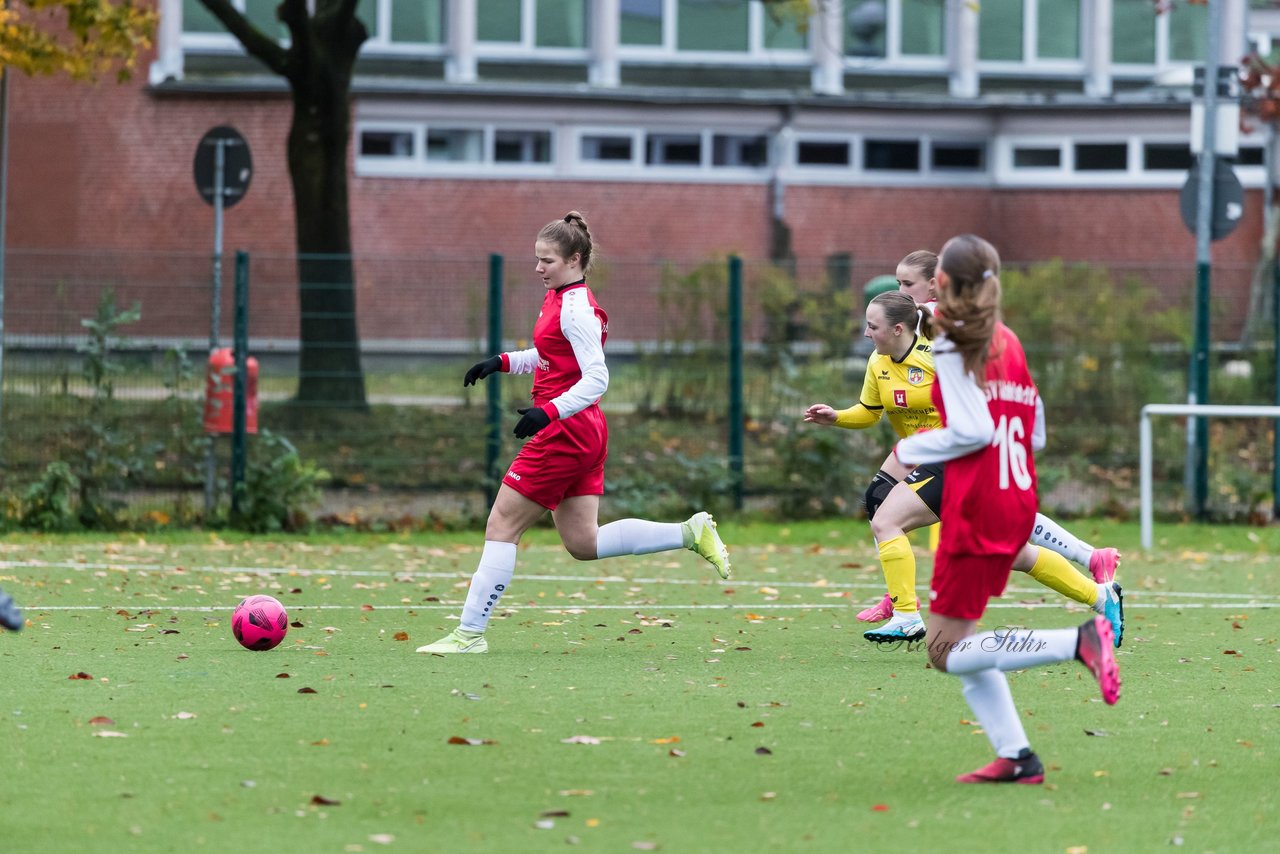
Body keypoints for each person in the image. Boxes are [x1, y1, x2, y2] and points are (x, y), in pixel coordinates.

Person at [417, 211, 730, 654]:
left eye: (547, 260)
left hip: (565, 431)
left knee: (501, 524)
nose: (538, 268)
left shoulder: (577, 308)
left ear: (575, 258)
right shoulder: (562, 297)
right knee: (584, 542)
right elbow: (550, 355)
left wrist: (549, 412)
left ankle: (469, 634)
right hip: (583, 430)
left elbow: (596, 378)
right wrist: (502, 362)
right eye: (537, 259)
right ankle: (689, 533)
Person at [894, 234, 1119, 784]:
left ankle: (1081, 641)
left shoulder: (952, 344)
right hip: (1018, 495)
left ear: (941, 281)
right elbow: (1035, 426)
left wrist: (911, 449)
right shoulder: (1005, 338)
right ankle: (1018, 756)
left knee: (945, 650)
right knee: (963, 640)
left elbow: (972, 429)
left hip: (977, 503)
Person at [804, 272, 1122, 646]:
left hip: (959, 458)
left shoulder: (941, 356)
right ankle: (1101, 596)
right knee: (1010, 553)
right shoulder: (879, 362)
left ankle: (905, 612)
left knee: (888, 520)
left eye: (872, 326)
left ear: (899, 328)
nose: (866, 333)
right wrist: (837, 418)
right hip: (929, 456)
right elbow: (870, 411)